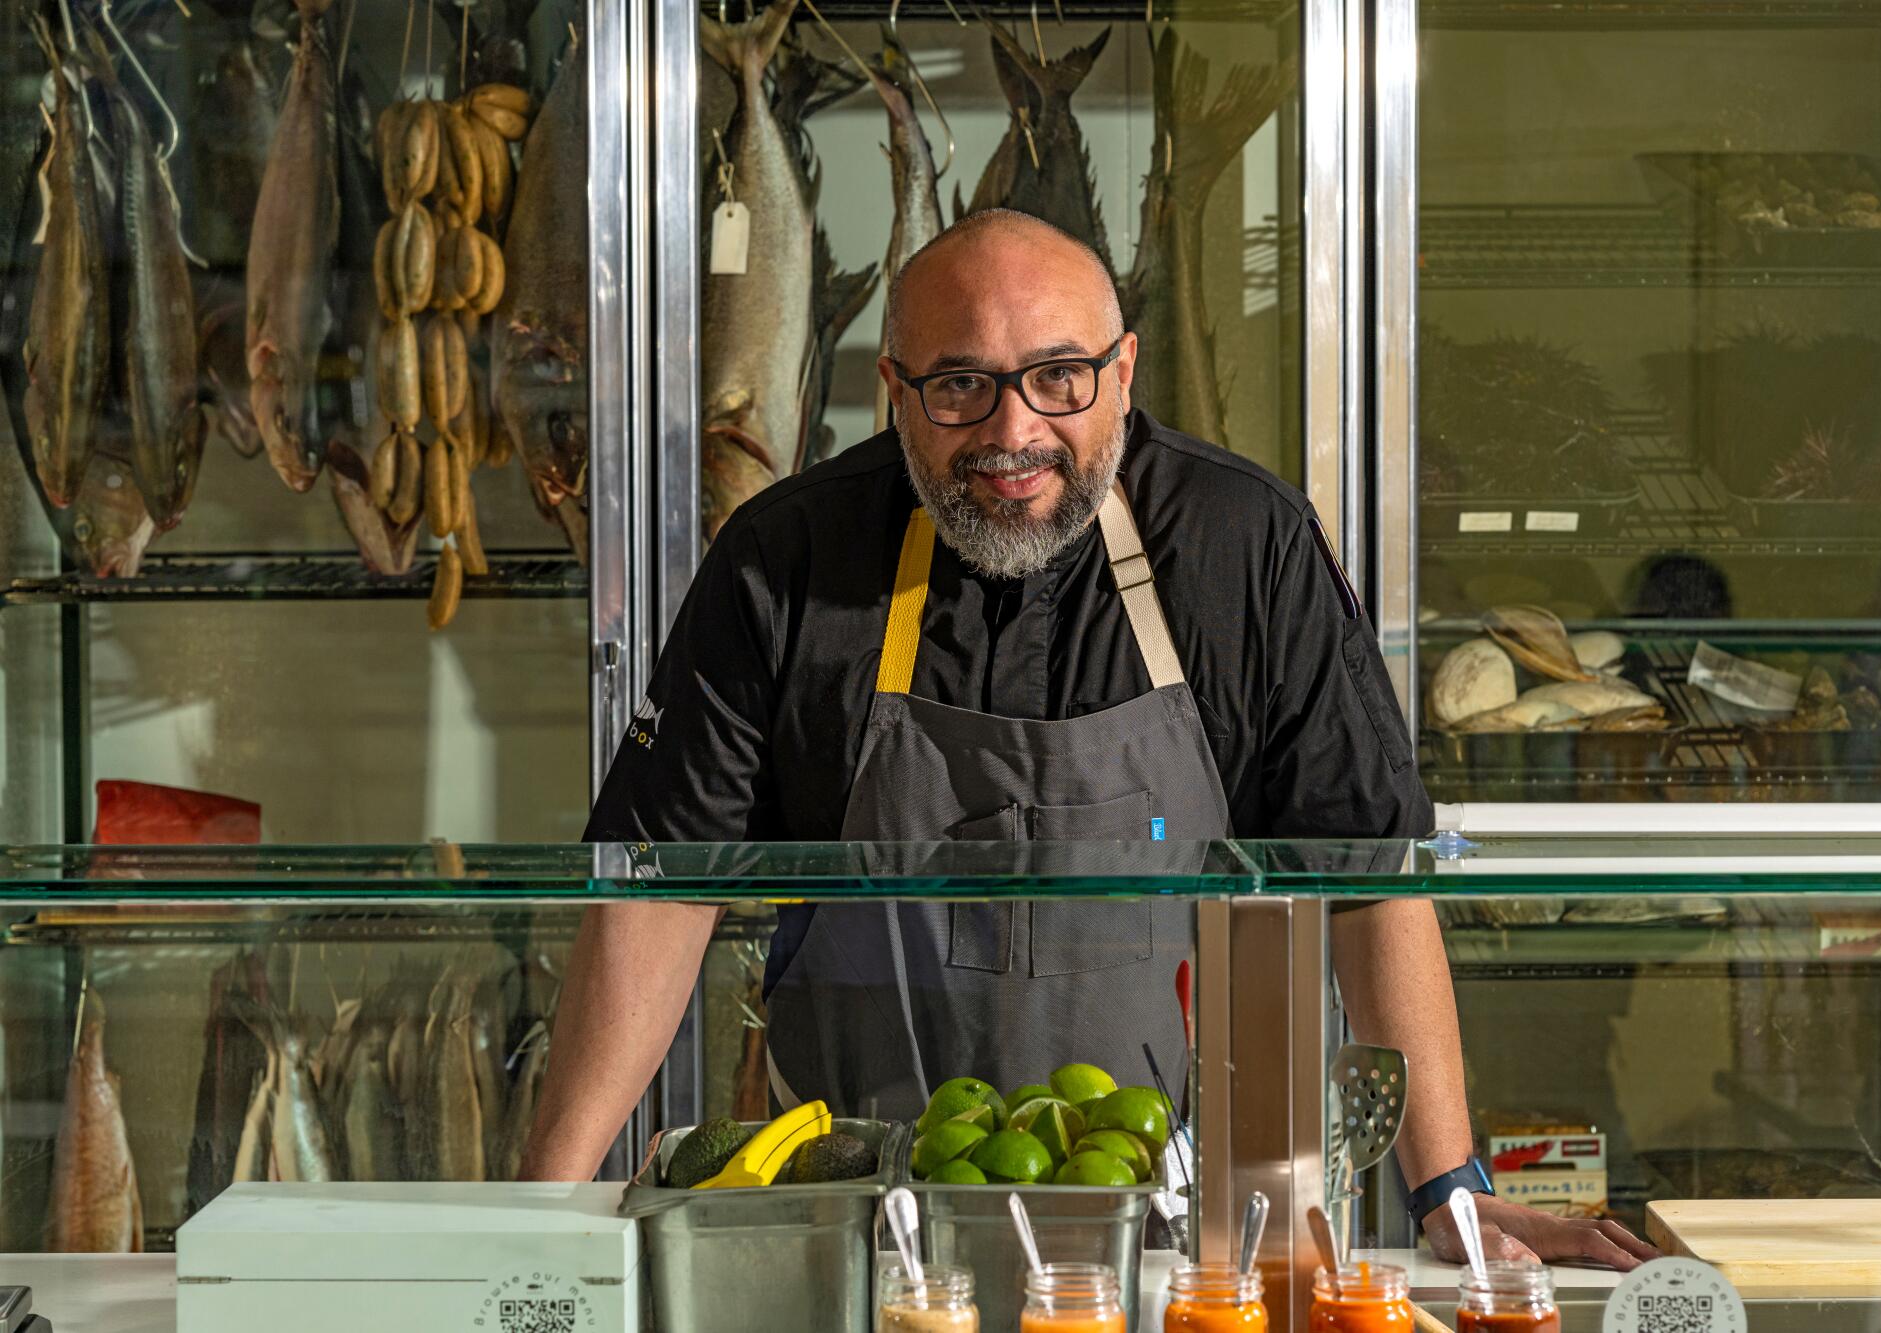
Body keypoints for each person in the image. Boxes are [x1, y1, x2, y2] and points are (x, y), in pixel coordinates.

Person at [522, 209, 1659, 1270]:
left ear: (1121, 372)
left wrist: (1448, 1195)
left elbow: (1365, 877)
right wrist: (536, 1215)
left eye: (1057, 377)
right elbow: (659, 895)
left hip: (1190, 1234)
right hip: (861, 1240)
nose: (1014, 431)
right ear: (895, 391)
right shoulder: (785, 559)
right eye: (962, 384)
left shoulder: (1241, 545)